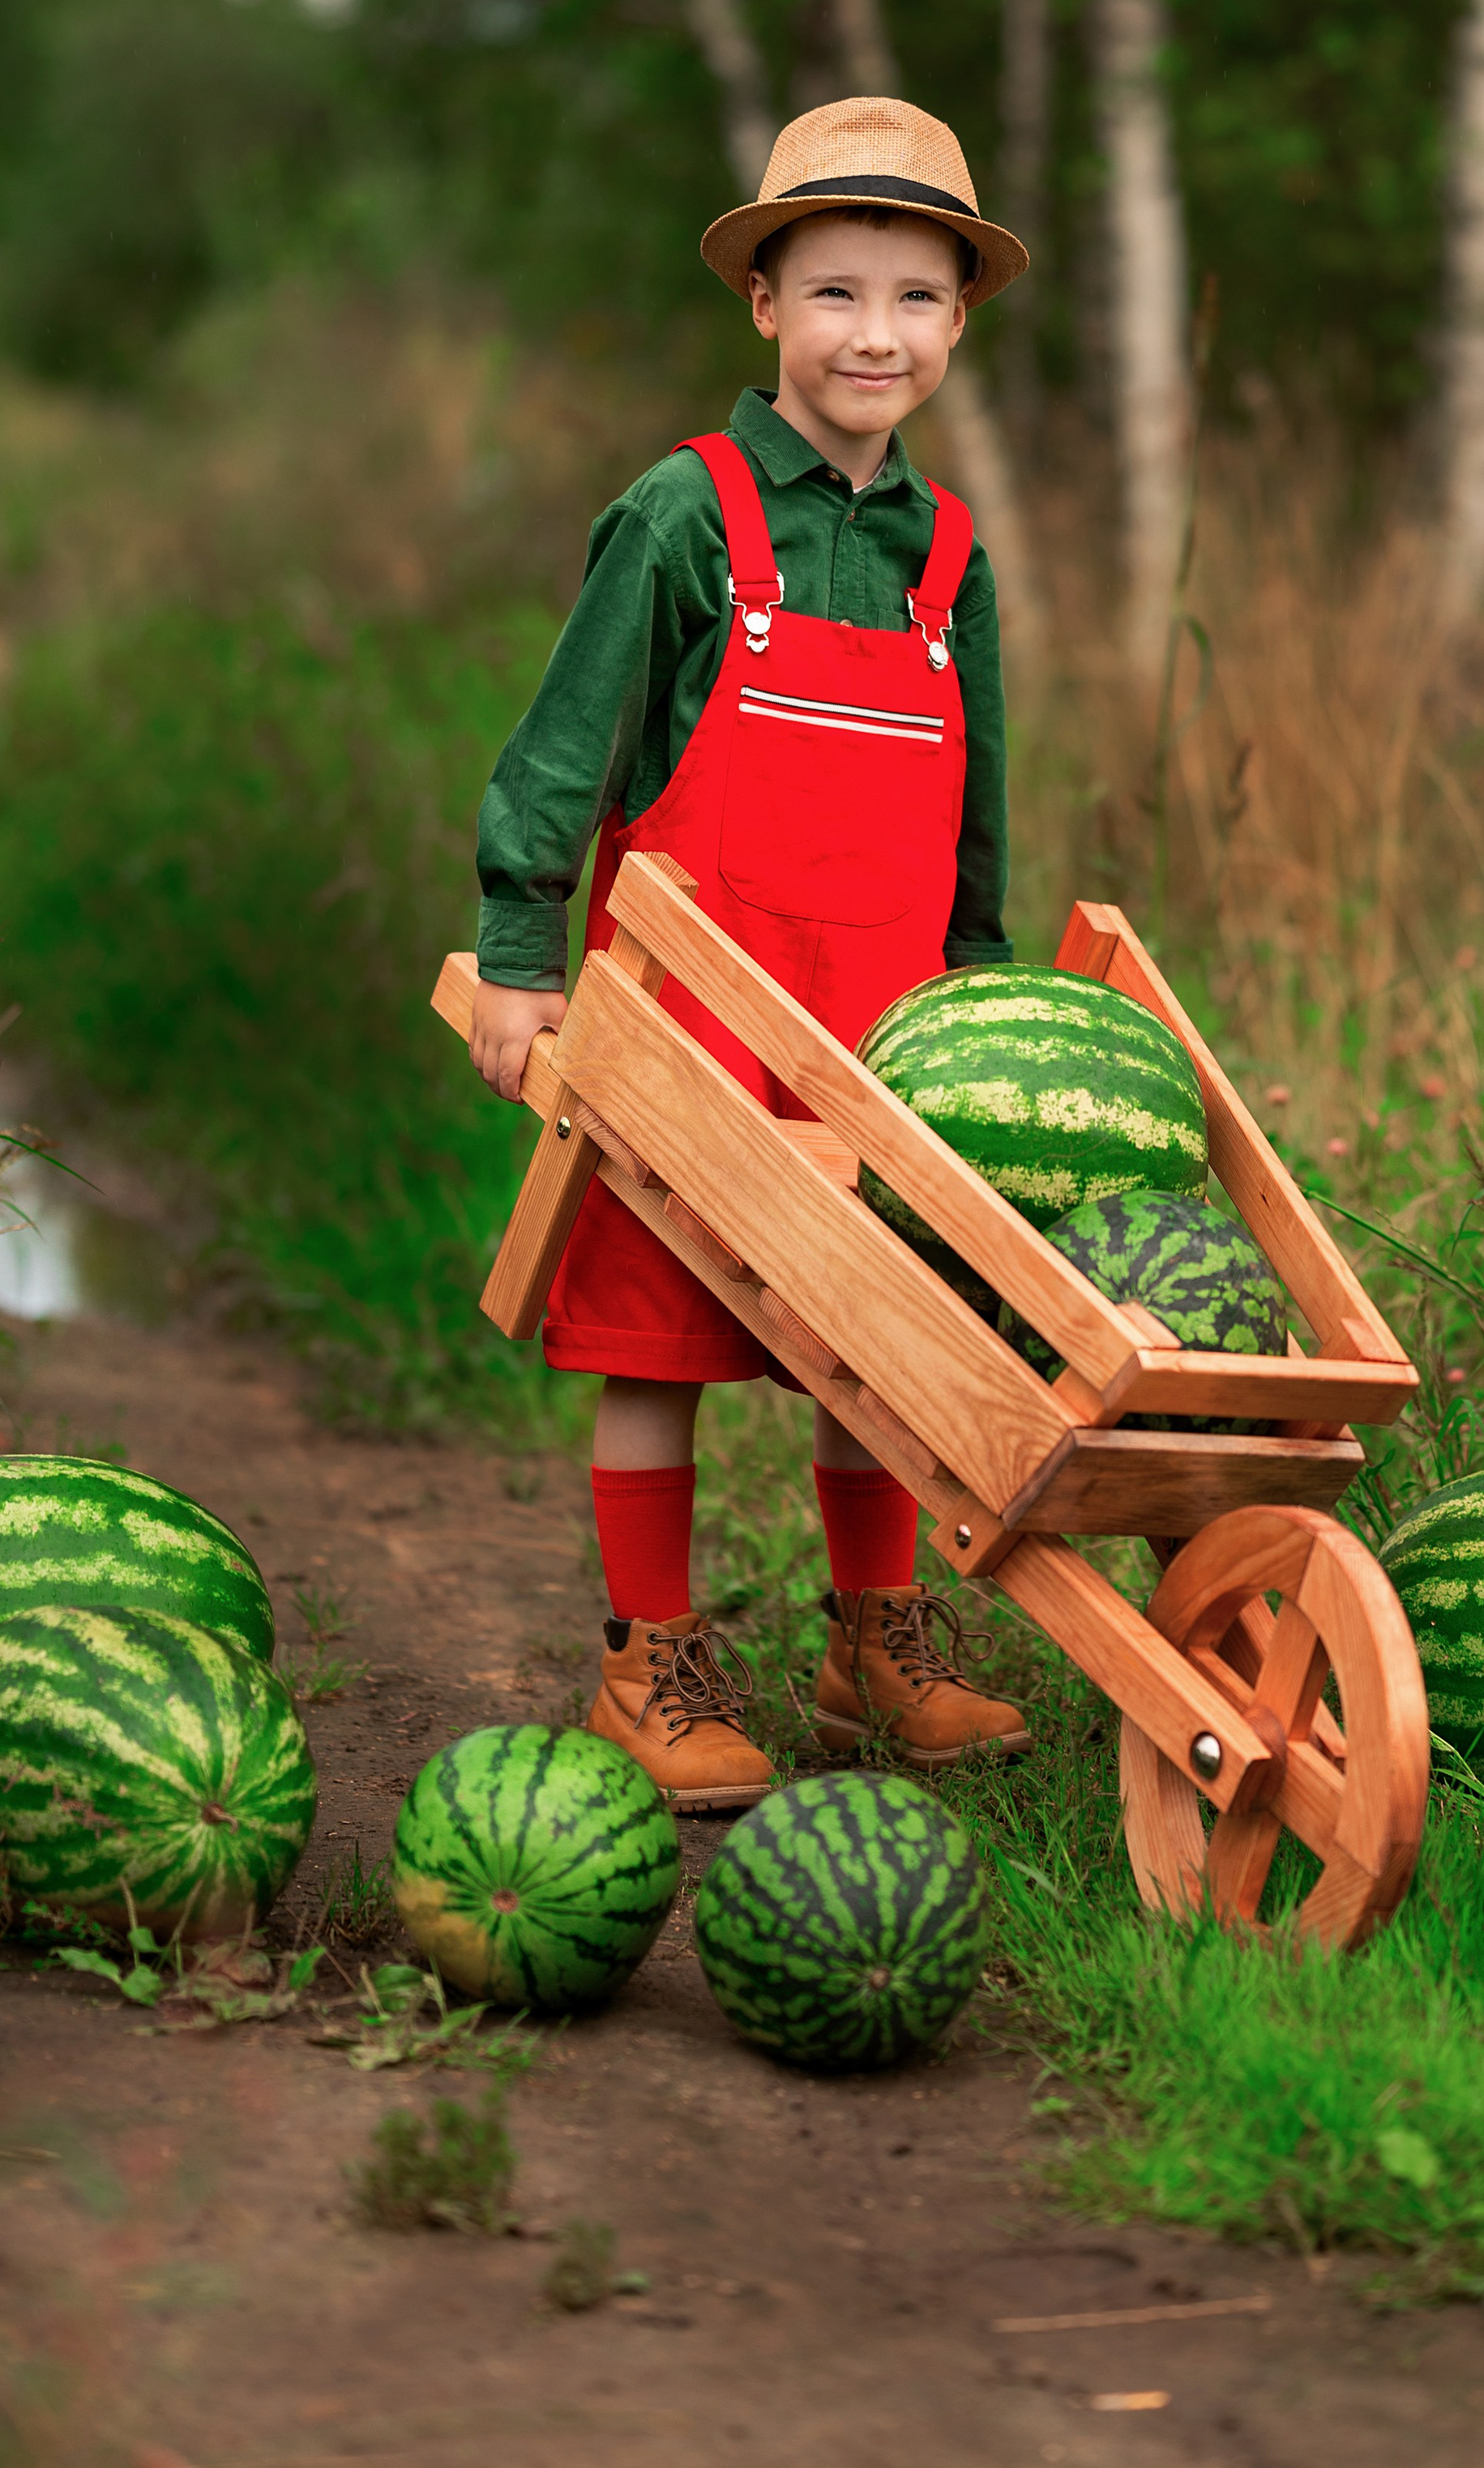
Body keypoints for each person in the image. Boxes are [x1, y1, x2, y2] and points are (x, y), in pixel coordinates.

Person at [468, 98, 1033, 1810]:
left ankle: (875, 1644)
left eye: (917, 298)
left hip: (880, 1025)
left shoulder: (945, 556)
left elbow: (976, 809)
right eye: (839, 291)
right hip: (690, 1016)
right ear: (765, 304)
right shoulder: (687, 512)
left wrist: (983, 996)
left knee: (872, 1339)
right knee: (660, 1340)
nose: (877, 333)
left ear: (956, 322)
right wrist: (517, 940)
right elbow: (568, 744)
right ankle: (651, 1657)